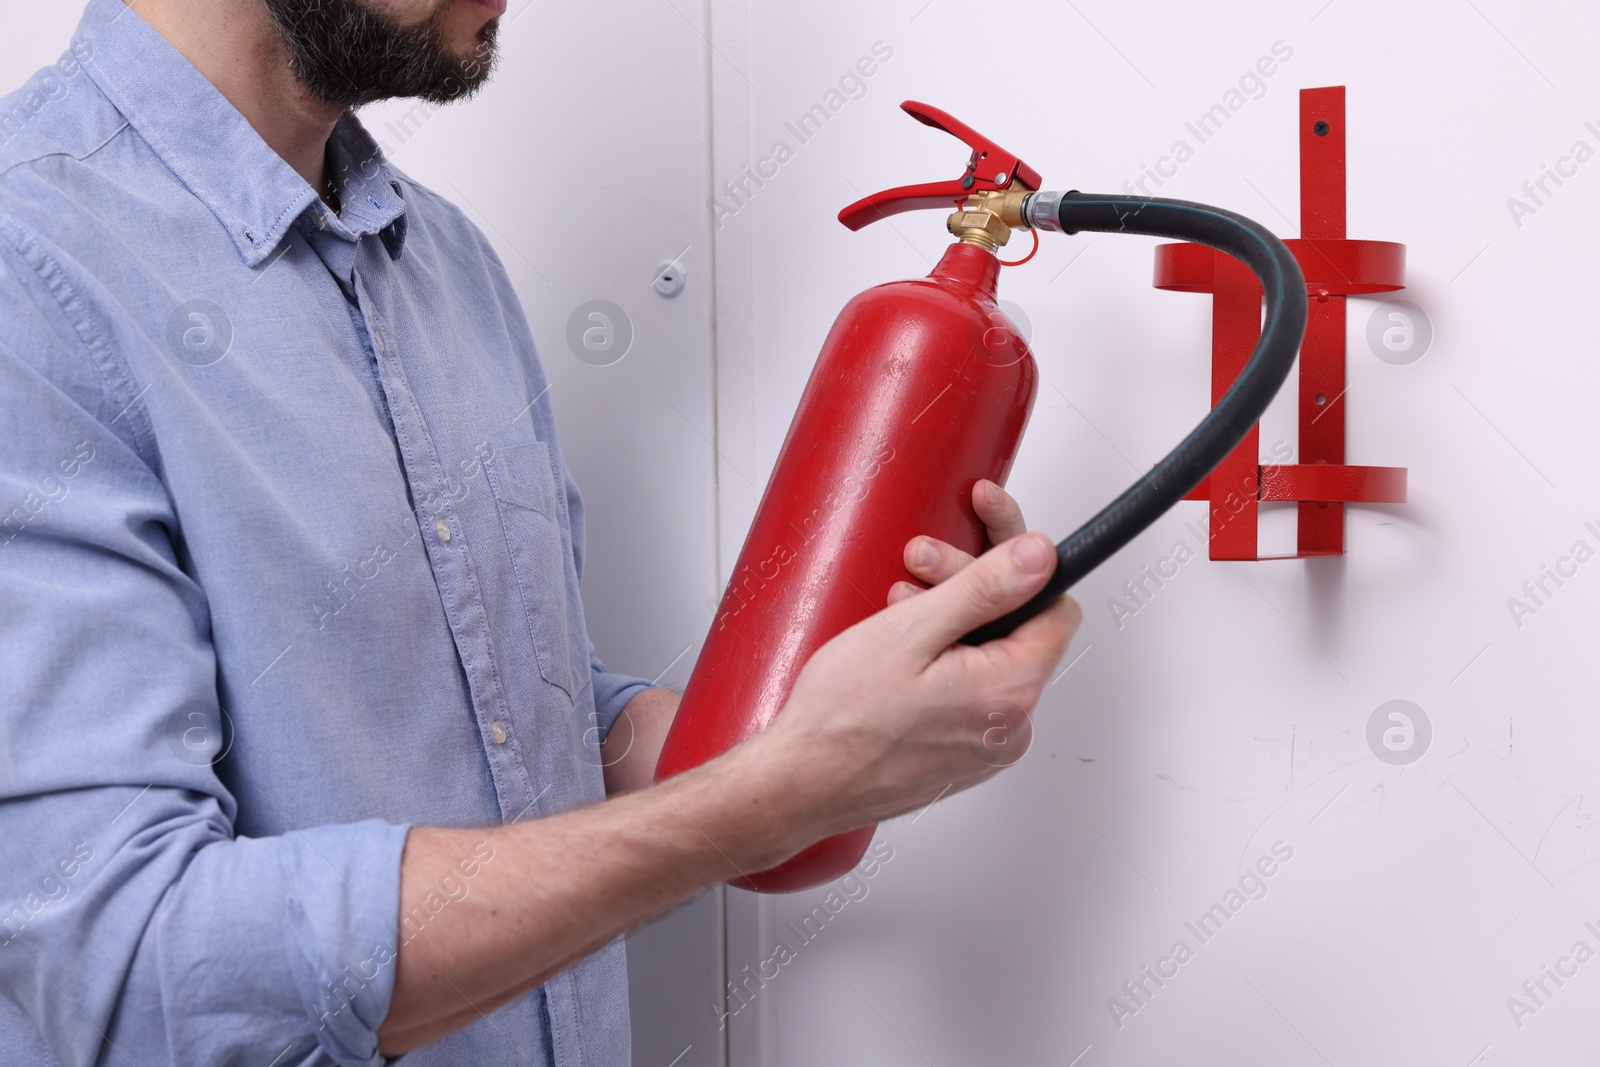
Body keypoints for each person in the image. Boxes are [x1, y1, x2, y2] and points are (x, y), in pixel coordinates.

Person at [0, 0, 1081, 1062]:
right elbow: (127, 967)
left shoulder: (443, 263)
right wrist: (760, 801)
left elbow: (532, 727)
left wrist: (842, 725)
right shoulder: (28, 271)